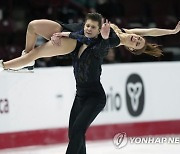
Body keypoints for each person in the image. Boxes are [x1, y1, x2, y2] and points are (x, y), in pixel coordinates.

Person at [0, 14, 180, 71]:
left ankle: (3, 66)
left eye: (137, 44)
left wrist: (66, 35)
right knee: (32, 26)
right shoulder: (126, 31)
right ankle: (26, 58)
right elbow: (151, 31)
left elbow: (88, 39)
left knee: (37, 53)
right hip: (72, 26)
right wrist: (172, 31)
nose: (137, 39)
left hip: (73, 41)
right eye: (140, 39)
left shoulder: (112, 41)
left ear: (131, 49)